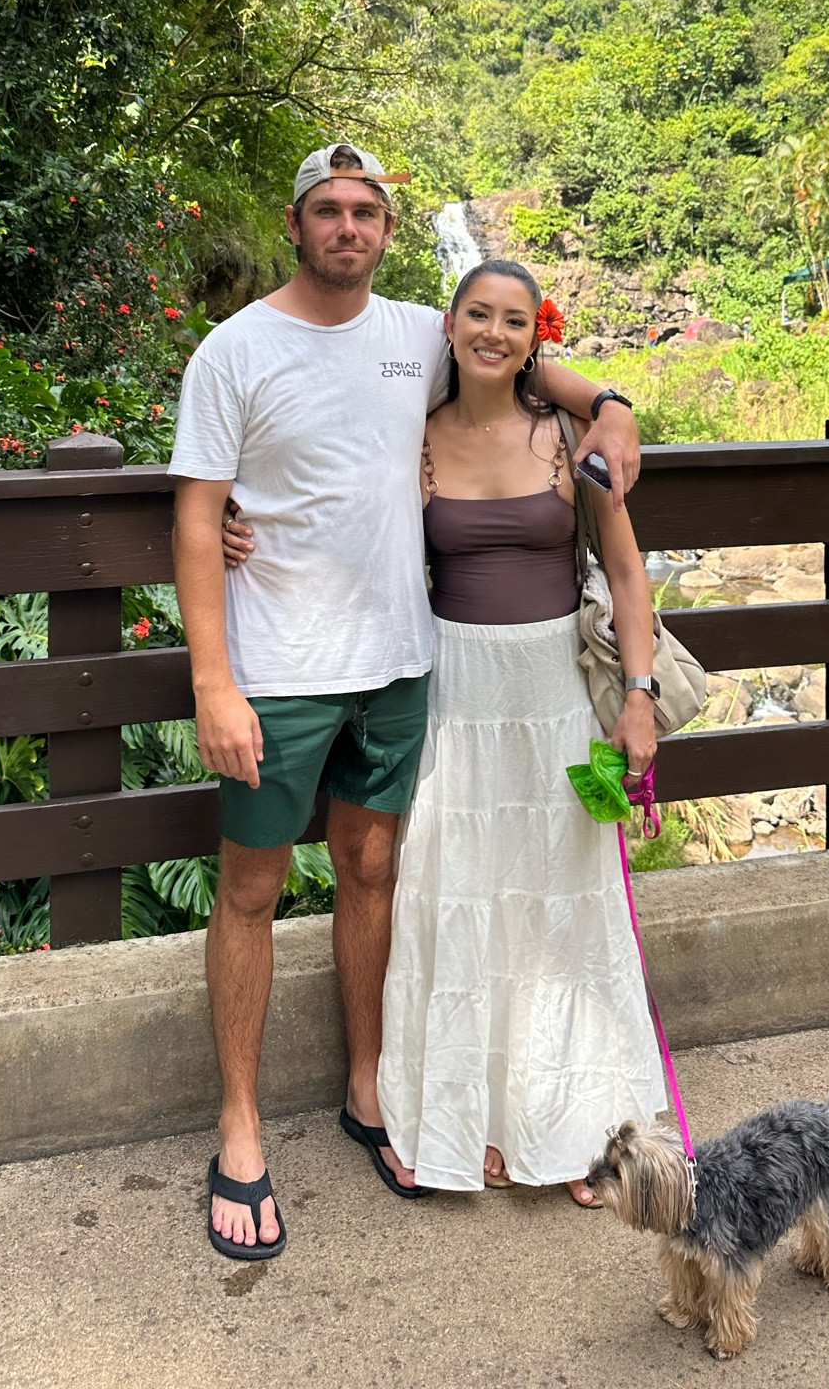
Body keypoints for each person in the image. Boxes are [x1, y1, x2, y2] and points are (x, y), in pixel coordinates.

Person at [167, 143, 642, 1260]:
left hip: (398, 662)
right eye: (329, 209)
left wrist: (613, 405)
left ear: (386, 229)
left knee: (375, 871)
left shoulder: (416, 337)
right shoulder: (234, 351)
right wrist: (213, 682)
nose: (349, 227)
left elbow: (519, 362)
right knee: (251, 888)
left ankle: (368, 1086)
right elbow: (195, 516)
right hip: (277, 672)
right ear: (296, 222)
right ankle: (240, 1127)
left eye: (366, 211)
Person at [375, 258, 668, 1203]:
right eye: (478, 314)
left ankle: (581, 1131)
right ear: (450, 324)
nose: (493, 333)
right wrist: (237, 520)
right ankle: (479, 1122)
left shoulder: (570, 439)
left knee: (562, 906)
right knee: (460, 895)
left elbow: (625, 573)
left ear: (533, 335)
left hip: (554, 696)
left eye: (513, 319)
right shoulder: (414, 438)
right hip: (457, 697)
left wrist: (637, 696)